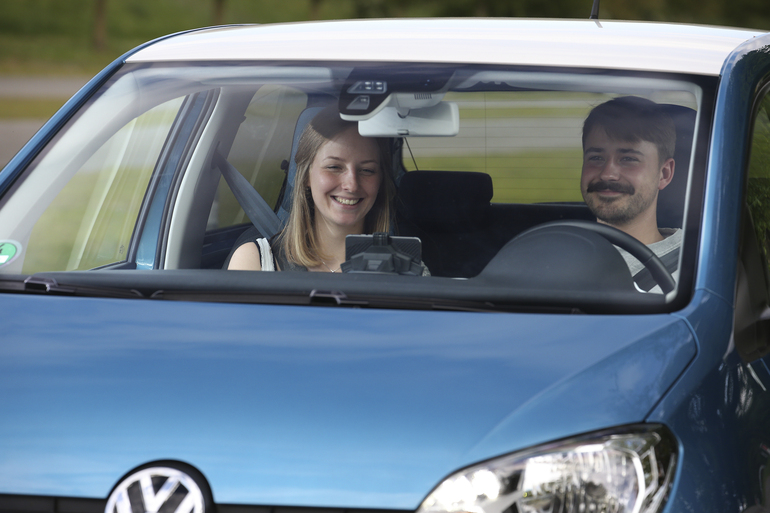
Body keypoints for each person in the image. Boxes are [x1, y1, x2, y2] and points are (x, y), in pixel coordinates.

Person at [228, 105, 395, 272]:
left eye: (367, 170)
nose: (351, 185)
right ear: (306, 175)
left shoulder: (403, 268)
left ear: (380, 180)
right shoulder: (255, 261)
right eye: (334, 167)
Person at [580, 96, 682, 292]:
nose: (607, 173)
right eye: (596, 157)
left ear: (664, 174)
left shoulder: (699, 272)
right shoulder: (550, 252)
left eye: (628, 158)